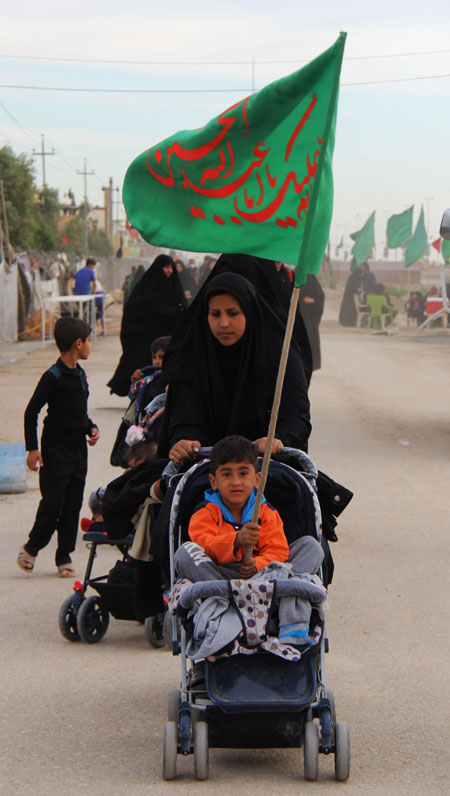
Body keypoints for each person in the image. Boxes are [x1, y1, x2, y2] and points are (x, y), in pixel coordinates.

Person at [158, 272, 311, 463]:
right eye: (215, 314)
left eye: (233, 313)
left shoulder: (279, 356)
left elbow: (297, 416)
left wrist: (278, 440)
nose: (223, 323)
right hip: (203, 465)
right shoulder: (193, 355)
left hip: (267, 466)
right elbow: (185, 413)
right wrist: (186, 441)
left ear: (249, 311)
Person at [174, 435, 324, 596]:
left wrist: (258, 564)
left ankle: (280, 598)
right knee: (184, 553)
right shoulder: (206, 511)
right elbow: (204, 544)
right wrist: (236, 540)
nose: (236, 482)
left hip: (264, 577)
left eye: (243, 473)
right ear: (213, 482)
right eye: (226, 475)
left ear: (257, 479)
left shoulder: (265, 511)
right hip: (220, 577)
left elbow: (278, 550)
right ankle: (223, 599)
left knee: (311, 546)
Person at [17, 317, 99, 577]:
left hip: (78, 449)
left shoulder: (81, 374)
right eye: (88, 341)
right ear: (78, 344)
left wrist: (91, 427)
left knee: (73, 503)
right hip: (54, 449)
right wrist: (33, 449)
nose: (89, 346)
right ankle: (31, 547)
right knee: (53, 503)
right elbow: (31, 413)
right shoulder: (52, 377)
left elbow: (78, 412)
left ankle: (64, 555)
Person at [107, 254, 187, 396]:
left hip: (167, 340)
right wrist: (170, 311)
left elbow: (182, 310)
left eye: (171, 267)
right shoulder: (147, 288)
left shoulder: (175, 286)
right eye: (166, 267)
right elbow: (136, 310)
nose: (169, 271)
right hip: (145, 340)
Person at [299, 274, 325, 373]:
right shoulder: (295, 276)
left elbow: (321, 296)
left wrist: (313, 300)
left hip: (309, 318)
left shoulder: (311, 278)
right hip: (298, 317)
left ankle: (310, 365)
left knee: (310, 341)